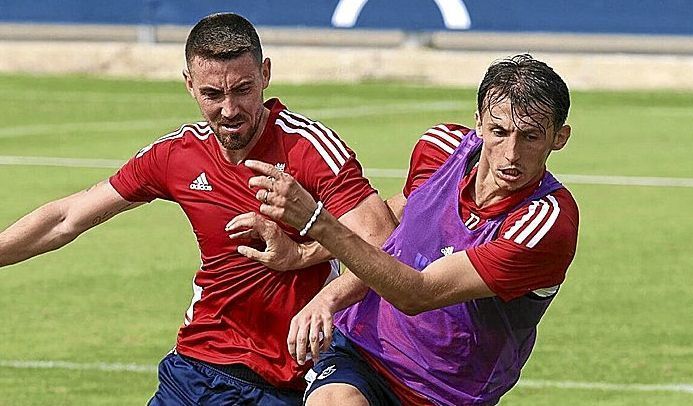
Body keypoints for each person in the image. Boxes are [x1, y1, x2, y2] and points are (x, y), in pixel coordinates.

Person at [0, 12, 395, 405]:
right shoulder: (176, 154)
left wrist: (325, 295)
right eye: (212, 94)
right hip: (196, 366)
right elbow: (67, 218)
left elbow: (384, 240)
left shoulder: (309, 148)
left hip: (289, 377)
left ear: (265, 75)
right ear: (189, 85)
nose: (229, 109)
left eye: (242, 89)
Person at [238, 54, 579, 405]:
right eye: (499, 131)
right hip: (362, 352)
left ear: (559, 137)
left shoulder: (545, 223)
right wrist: (317, 275)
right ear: (478, 123)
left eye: (530, 137)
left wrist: (316, 221)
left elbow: (417, 294)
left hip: (447, 393)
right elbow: (392, 236)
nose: (511, 153)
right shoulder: (439, 150)